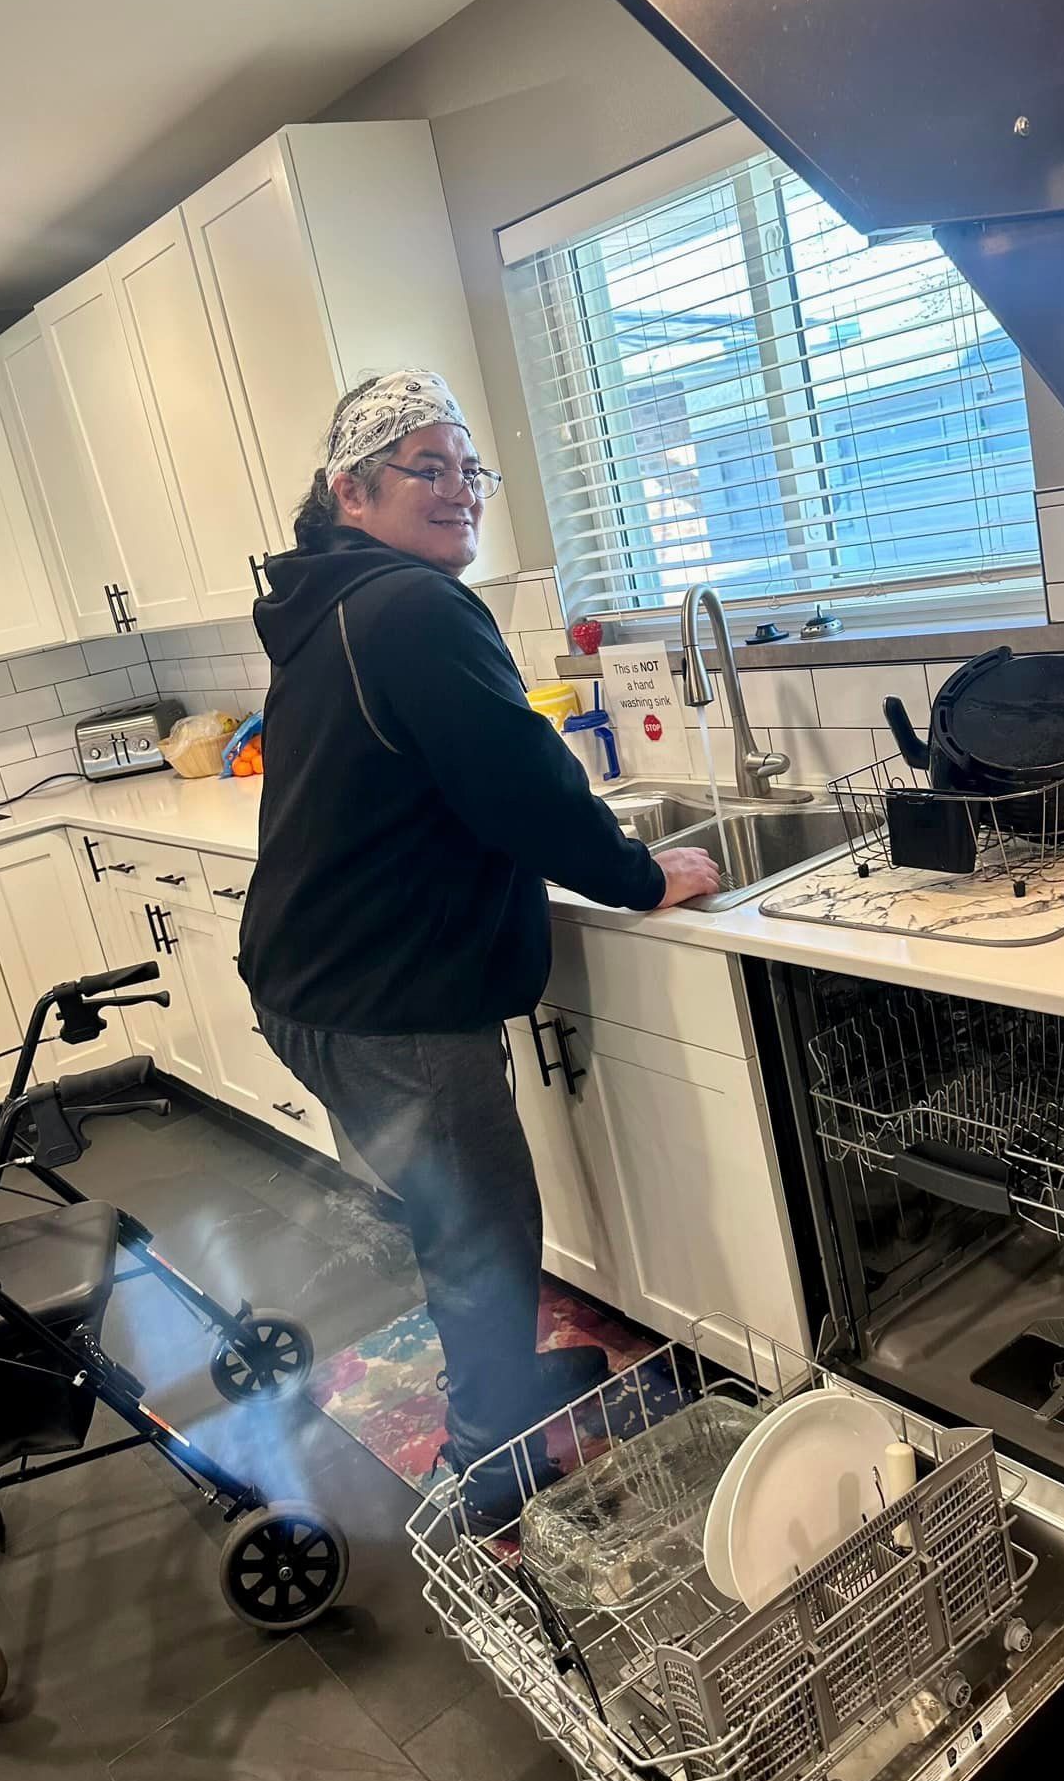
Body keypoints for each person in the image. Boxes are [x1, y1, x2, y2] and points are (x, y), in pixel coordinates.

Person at [238, 370, 719, 1515]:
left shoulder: (336, 602)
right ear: (351, 490)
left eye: (469, 467)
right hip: (388, 1000)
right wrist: (642, 872)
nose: (459, 489)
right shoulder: (408, 606)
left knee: (455, 1218)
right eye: (426, 466)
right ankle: (495, 1462)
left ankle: (505, 1381)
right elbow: (525, 783)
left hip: (315, 985)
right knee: (478, 1232)